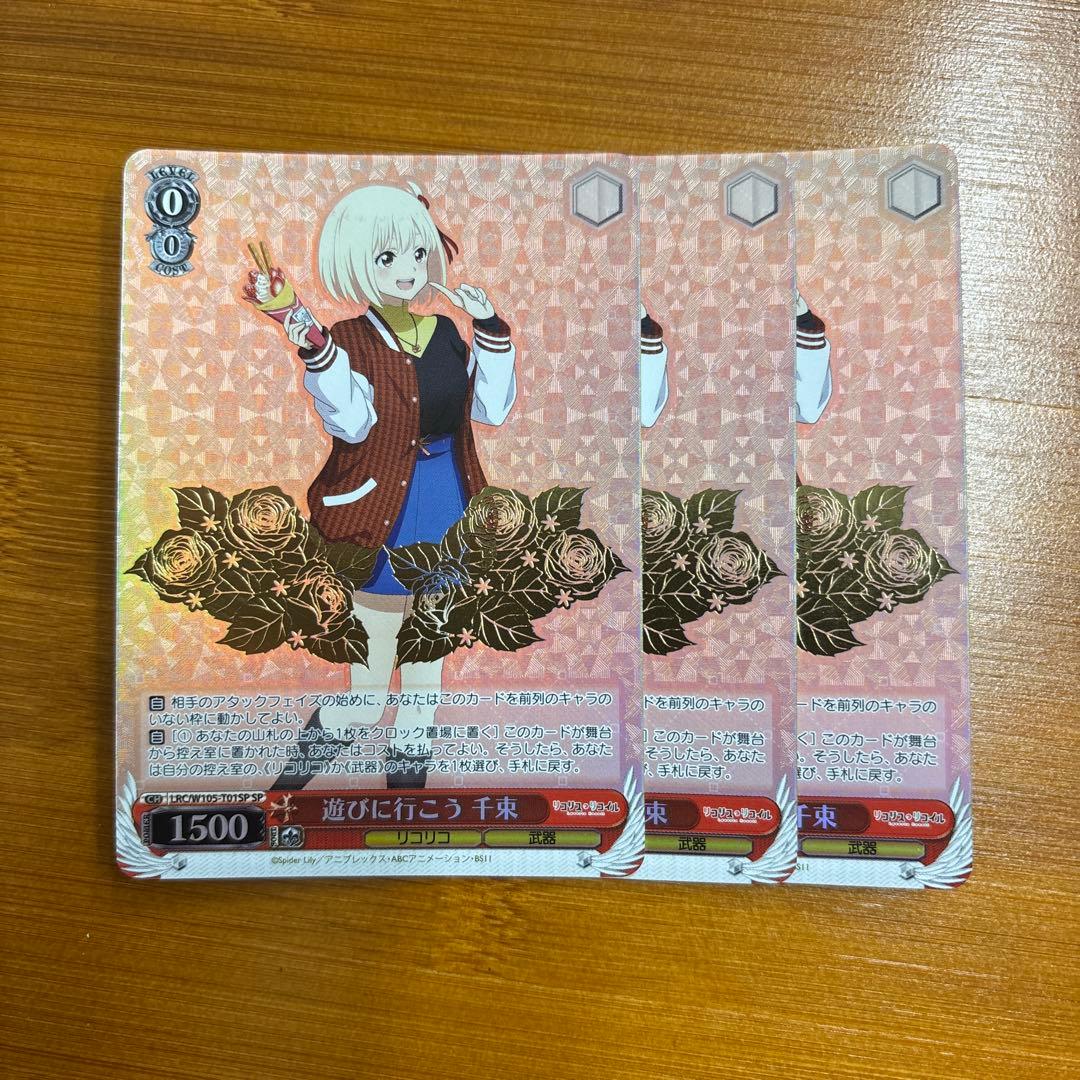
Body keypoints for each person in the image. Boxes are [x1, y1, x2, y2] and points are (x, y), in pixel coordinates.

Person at [258, 181, 518, 790]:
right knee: (369, 692)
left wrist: (488, 324)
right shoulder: (347, 339)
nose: (408, 270)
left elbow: (491, 408)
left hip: (448, 504)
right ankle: (283, 797)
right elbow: (352, 422)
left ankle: (406, 804)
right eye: (386, 257)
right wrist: (304, 332)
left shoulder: (446, 332)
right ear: (354, 263)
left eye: (418, 253)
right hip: (379, 511)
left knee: (424, 688)